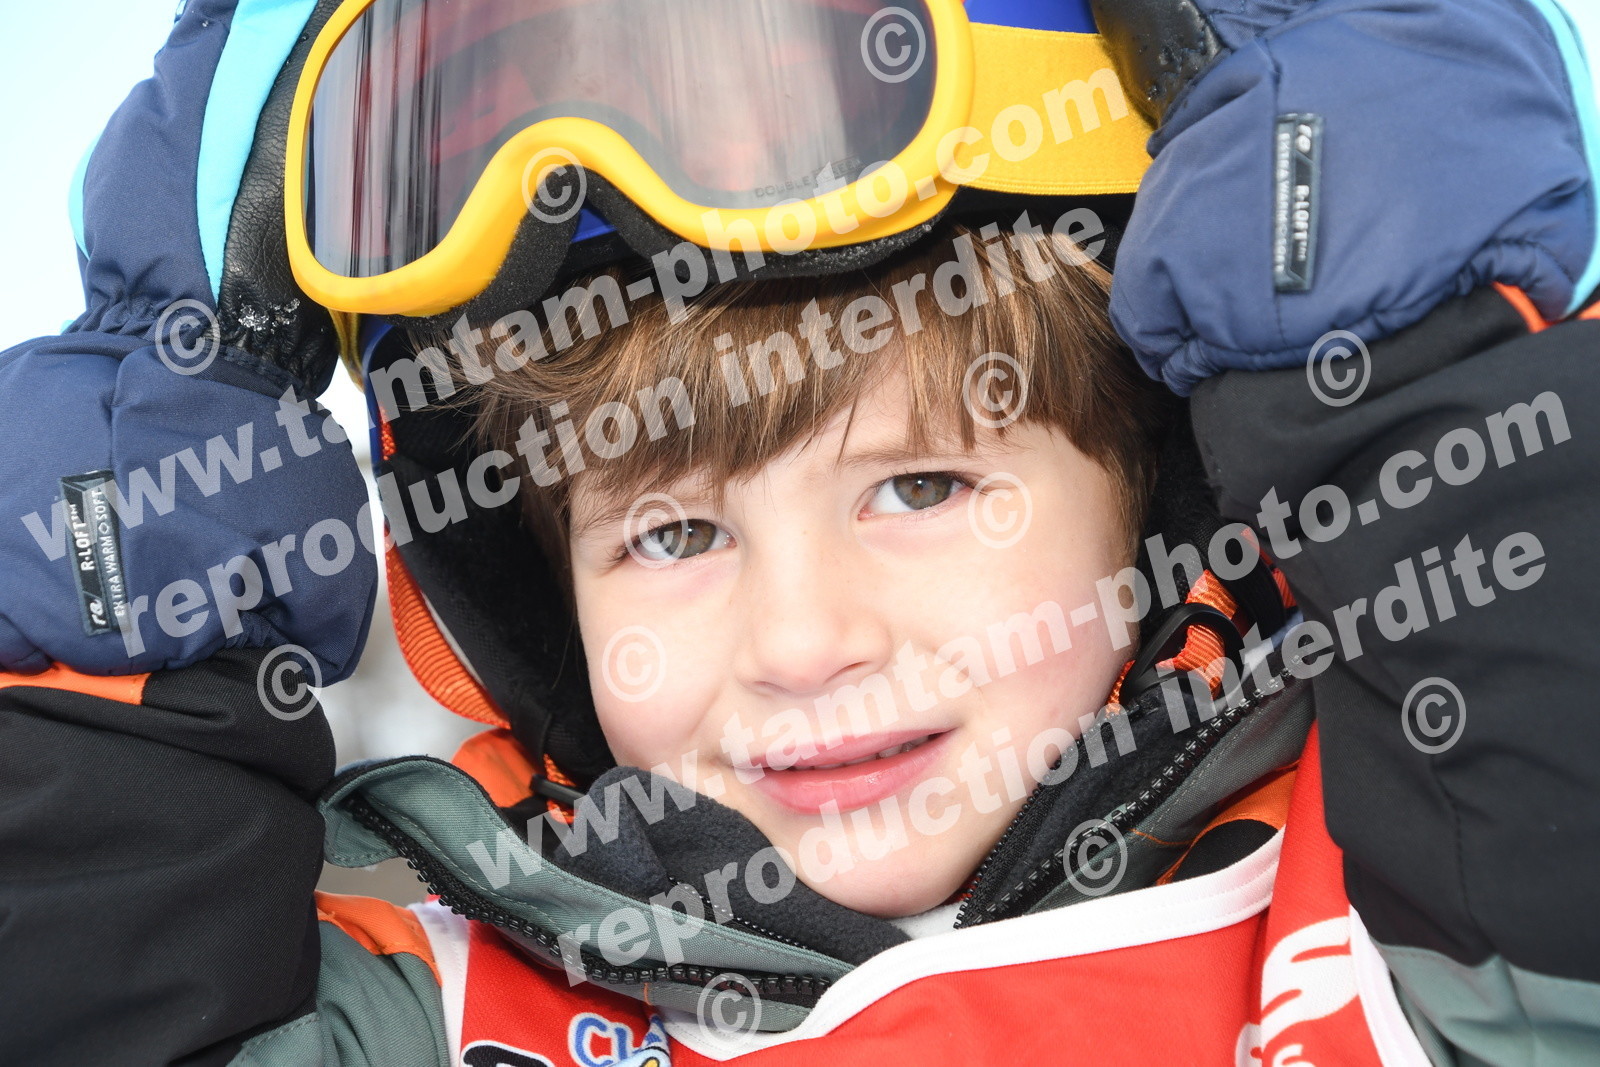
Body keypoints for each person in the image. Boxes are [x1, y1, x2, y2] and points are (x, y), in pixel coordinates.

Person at [2, 1, 1598, 1065]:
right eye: (673, 536)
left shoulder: (1394, 894)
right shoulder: (425, 993)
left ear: (1155, 497)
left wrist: (1396, 339)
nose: (804, 643)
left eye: (922, 489)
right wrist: (149, 442)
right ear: (536, 591)